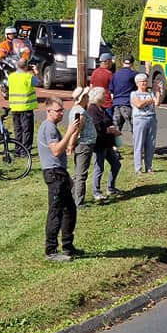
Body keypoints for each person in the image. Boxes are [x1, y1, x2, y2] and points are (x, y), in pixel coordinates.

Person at [37, 96, 82, 262]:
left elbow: (60, 152)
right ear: (48, 111)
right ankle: (51, 251)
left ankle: (68, 247)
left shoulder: (52, 127)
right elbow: (56, 151)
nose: (61, 113)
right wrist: (70, 132)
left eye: (63, 110)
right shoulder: (48, 127)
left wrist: (67, 175)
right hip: (54, 175)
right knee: (55, 212)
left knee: (69, 210)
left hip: (59, 173)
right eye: (58, 110)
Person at [86, 86, 122, 200]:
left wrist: (113, 130)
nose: (105, 96)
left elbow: (107, 122)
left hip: (108, 143)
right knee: (99, 167)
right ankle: (96, 191)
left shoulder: (101, 108)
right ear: (97, 97)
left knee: (116, 164)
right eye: (103, 94)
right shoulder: (92, 109)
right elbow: (97, 127)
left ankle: (111, 188)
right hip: (99, 144)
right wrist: (109, 130)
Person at [67, 85, 96, 207]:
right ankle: (78, 201)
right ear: (82, 97)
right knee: (81, 174)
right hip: (84, 144)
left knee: (78, 172)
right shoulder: (80, 112)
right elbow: (76, 130)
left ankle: (73, 197)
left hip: (84, 144)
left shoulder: (76, 110)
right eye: (86, 96)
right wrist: (71, 144)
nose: (88, 97)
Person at [7, 57, 41, 154]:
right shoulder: (28, 77)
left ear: (17, 66)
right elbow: (39, 82)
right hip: (26, 107)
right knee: (27, 130)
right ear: (26, 67)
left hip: (14, 107)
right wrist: (36, 72)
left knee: (17, 129)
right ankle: (25, 151)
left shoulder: (11, 76)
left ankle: (17, 149)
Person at [130, 72, 161, 173]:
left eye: (146, 81)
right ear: (137, 83)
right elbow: (138, 104)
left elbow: (157, 103)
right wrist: (150, 100)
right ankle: (138, 168)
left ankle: (149, 167)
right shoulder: (134, 94)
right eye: (142, 82)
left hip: (151, 119)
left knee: (150, 144)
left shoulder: (150, 93)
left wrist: (157, 91)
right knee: (139, 144)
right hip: (140, 120)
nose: (145, 83)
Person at [109, 55, 138, 136]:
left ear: (123, 63)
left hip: (116, 104)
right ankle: (137, 146)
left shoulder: (115, 75)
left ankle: (115, 146)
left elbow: (111, 90)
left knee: (116, 128)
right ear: (132, 64)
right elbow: (144, 77)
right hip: (127, 103)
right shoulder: (133, 74)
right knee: (133, 127)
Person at [90, 52, 115, 117]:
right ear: (107, 62)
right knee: (108, 124)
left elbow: (91, 87)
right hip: (107, 102)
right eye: (111, 61)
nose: (111, 63)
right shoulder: (109, 74)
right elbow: (113, 89)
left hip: (96, 103)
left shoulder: (94, 72)